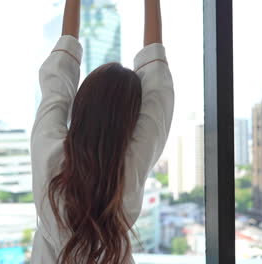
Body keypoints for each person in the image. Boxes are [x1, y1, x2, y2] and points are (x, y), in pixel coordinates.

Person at [30, 0, 174, 263]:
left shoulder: (47, 152)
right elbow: (157, 88)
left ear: (82, 104)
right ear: (131, 122)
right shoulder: (128, 171)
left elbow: (57, 83)